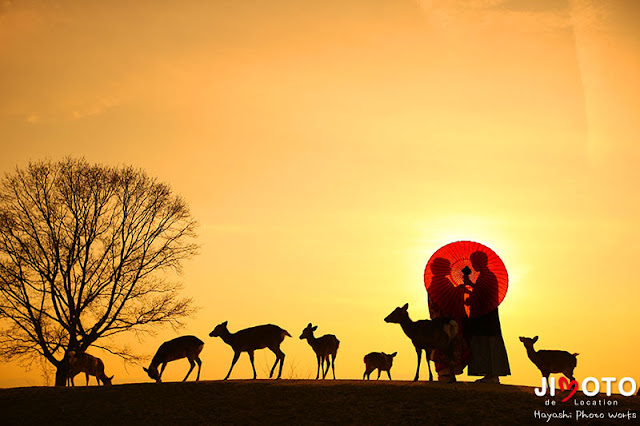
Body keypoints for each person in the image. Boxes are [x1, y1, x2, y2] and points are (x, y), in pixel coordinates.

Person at [462, 251, 510, 383]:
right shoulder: (485, 276)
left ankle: (491, 374)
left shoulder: (487, 276)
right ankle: (490, 374)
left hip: (486, 317)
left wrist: (471, 297)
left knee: (487, 344)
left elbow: (483, 296)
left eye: (474, 262)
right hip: (486, 316)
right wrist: (470, 284)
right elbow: (480, 291)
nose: (473, 265)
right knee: (485, 343)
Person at [427, 257, 469, 382]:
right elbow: (449, 300)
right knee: (447, 345)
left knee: (445, 345)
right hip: (446, 321)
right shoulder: (441, 283)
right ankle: (445, 372)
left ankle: (446, 372)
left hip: (439, 321)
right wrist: (461, 289)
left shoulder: (434, 283)